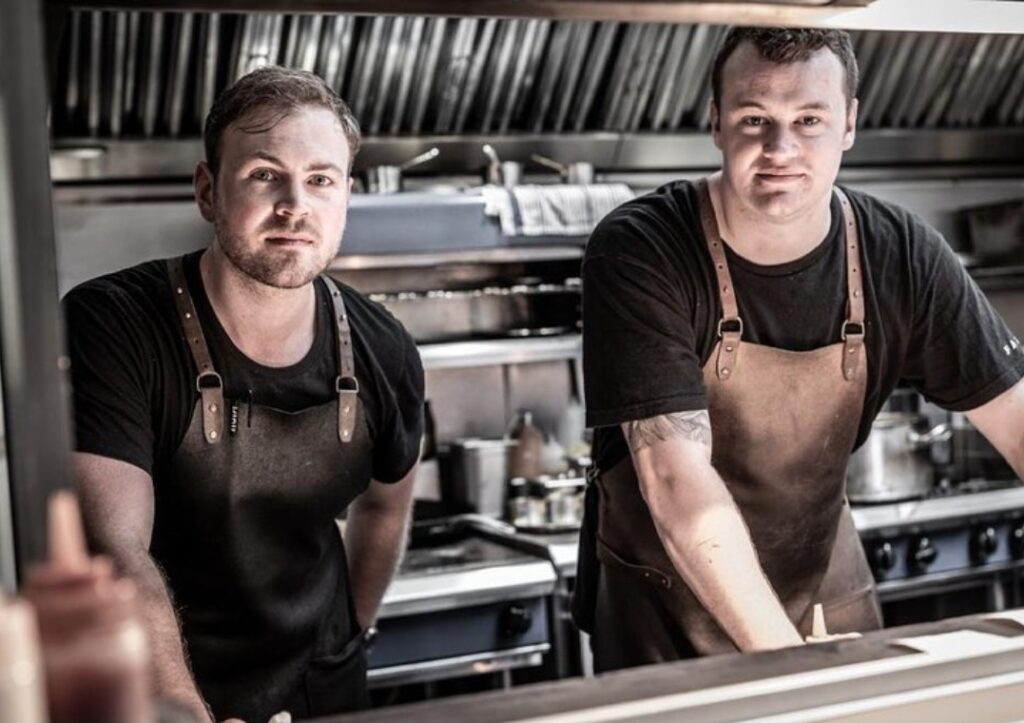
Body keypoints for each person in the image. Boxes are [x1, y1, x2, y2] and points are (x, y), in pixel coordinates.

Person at [572, 26, 1024, 671]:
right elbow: (675, 479)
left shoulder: (899, 251)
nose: (780, 148)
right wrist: (788, 665)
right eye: (754, 118)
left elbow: (1017, 419)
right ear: (716, 122)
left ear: (849, 124)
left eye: (809, 118)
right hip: (667, 613)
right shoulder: (642, 247)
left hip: (824, 592)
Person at [63, 67, 424, 721]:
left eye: (320, 179)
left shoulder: (385, 346)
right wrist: (182, 709)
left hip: (326, 694)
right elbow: (116, 547)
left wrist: (344, 645)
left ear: (346, 194)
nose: (295, 204)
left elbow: (386, 507)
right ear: (208, 189)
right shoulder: (114, 324)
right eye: (265, 174)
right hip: (169, 694)